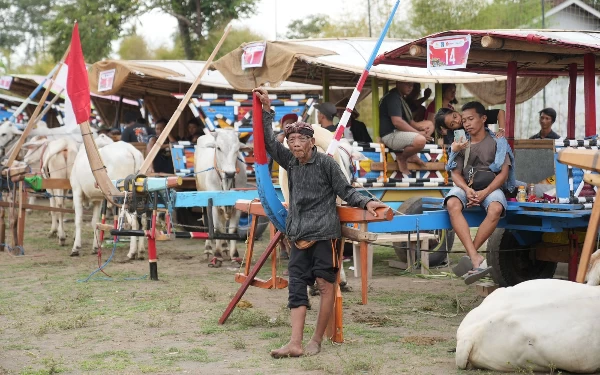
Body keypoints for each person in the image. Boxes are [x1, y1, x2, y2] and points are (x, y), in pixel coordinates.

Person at [253, 87, 388, 358]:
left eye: (300, 140)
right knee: (296, 288)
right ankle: (294, 343)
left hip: (324, 234)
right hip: (298, 235)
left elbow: (346, 191)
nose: (294, 145)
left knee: (326, 286)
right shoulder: (290, 162)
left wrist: (367, 202)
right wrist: (267, 110)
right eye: (291, 141)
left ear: (311, 142)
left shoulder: (326, 165)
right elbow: (268, 143)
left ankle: (316, 340)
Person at [444, 101, 515, 285]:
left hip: (491, 188)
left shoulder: (498, 141)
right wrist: (467, 190)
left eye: (471, 119)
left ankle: (472, 256)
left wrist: (485, 192)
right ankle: (476, 258)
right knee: (452, 203)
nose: (466, 123)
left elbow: (504, 174)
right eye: (464, 120)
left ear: (483, 119)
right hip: (466, 187)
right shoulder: (461, 143)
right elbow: (455, 174)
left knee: (496, 208)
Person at [379, 81, 434, 175]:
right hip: (390, 135)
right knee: (420, 140)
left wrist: (421, 128)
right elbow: (397, 122)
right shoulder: (393, 97)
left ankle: (412, 153)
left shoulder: (400, 98)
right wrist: (418, 133)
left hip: (398, 133)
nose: (410, 87)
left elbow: (410, 122)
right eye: (407, 84)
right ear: (398, 83)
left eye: (412, 85)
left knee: (429, 125)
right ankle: (402, 158)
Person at [434, 107, 506, 146]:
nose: (457, 121)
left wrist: (501, 130)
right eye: (452, 124)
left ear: (455, 111)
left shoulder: (472, 114)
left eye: (455, 116)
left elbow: (500, 112)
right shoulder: (453, 134)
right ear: (450, 128)